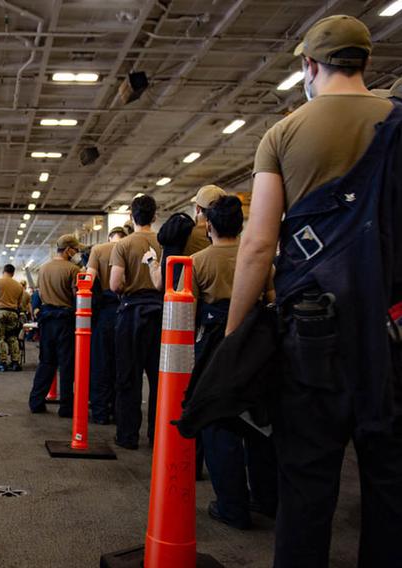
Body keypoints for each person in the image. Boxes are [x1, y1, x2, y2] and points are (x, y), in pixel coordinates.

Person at [226, 15, 401, 566]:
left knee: (306, 483)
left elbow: (257, 247)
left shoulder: (284, 133)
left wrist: (235, 337)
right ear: (365, 61)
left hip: (312, 334)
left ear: (309, 65)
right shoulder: (397, 122)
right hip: (391, 335)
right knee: (391, 484)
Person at [185, 196, 278, 530]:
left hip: (215, 344)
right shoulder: (261, 259)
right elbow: (271, 299)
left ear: (208, 225)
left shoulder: (196, 262)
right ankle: (267, 499)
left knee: (218, 423)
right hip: (256, 343)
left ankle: (232, 506)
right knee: (259, 422)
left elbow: (190, 313)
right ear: (240, 224)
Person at [110, 195, 162, 450]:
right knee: (158, 379)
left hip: (131, 313)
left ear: (131, 216)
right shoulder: (165, 243)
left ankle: (127, 435)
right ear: (154, 216)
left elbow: (115, 283)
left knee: (128, 376)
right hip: (161, 313)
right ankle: (157, 435)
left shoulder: (123, 245)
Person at [28, 235, 83, 416]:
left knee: (46, 361)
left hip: (46, 318)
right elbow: (78, 297)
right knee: (66, 364)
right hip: (65, 319)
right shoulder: (73, 270)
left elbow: (38, 294)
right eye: (75, 250)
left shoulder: (43, 269)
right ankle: (66, 407)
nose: (77, 253)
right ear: (68, 250)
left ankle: (36, 401)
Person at [85, 226, 126, 424]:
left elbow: (88, 280)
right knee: (123, 366)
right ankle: (120, 413)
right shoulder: (132, 248)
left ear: (110, 237)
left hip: (105, 311)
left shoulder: (99, 250)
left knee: (101, 363)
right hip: (127, 309)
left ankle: (100, 412)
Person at [0, 264, 24, 372]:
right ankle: (15, 362)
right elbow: (20, 304)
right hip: (13, 313)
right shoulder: (19, 286)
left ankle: (2, 363)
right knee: (12, 338)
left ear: (3, 271)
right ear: (13, 273)